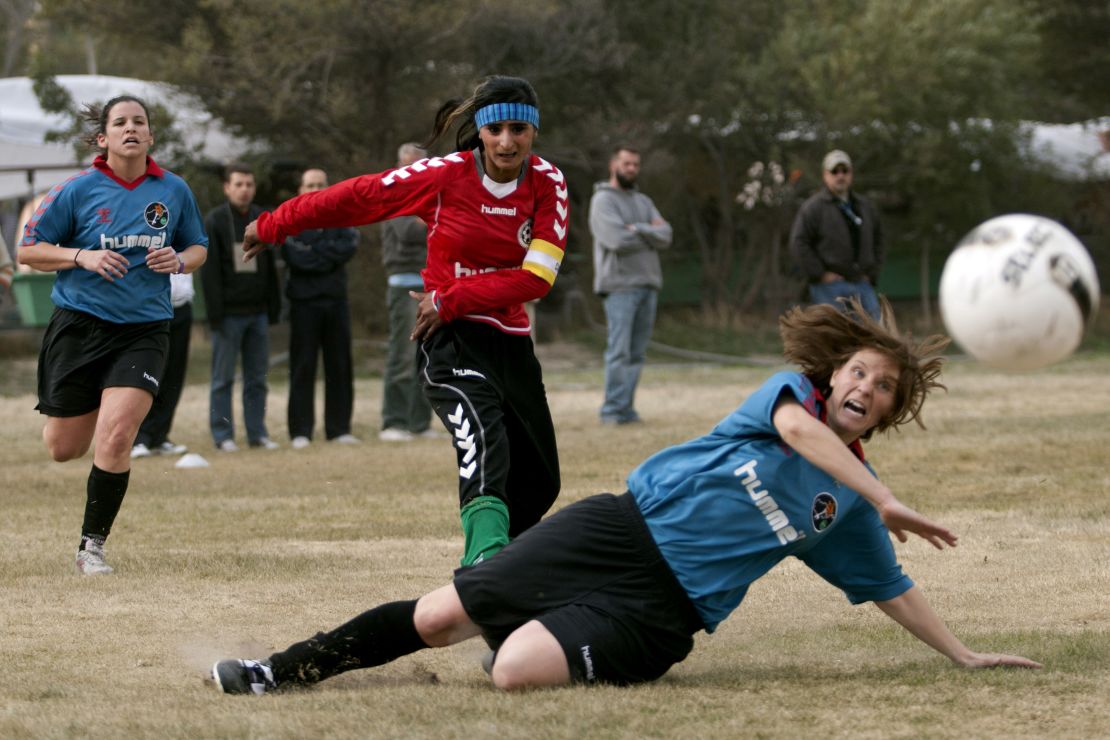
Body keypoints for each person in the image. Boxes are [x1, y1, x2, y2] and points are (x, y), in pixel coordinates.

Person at [210, 297, 1041, 694]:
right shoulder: (788, 397)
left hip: (662, 613)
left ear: (892, 409)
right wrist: (886, 494)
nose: (866, 386)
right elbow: (802, 439)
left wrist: (965, 655)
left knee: (516, 675)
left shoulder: (846, 511)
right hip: (614, 531)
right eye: (859, 371)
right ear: (834, 375)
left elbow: (890, 588)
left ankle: (520, 633)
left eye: (884, 386)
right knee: (436, 619)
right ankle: (277, 671)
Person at [239, 75, 569, 566]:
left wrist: (450, 296)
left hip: (507, 340)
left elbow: (537, 280)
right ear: (479, 130)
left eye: (518, 130)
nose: (506, 141)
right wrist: (276, 222)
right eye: (496, 128)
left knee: (541, 480)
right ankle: (481, 566)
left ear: (533, 132)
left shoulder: (549, 182)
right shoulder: (443, 175)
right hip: (448, 339)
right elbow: (361, 195)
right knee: (483, 436)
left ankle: (504, 573)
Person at [17, 95, 207, 575]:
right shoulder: (77, 190)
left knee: (118, 436)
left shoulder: (174, 190)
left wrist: (180, 260)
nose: (130, 128)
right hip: (79, 327)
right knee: (64, 448)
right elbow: (30, 252)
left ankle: (91, 547)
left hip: (143, 329)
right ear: (102, 138)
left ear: (150, 135)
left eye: (139, 122)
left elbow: (198, 244)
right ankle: (96, 397)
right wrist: (82, 256)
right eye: (119, 122)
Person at [200, 162, 282, 452]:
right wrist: (216, 315)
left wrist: (273, 307)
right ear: (227, 187)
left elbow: (270, 267)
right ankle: (223, 436)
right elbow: (209, 274)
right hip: (229, 316)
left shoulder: (263, 217)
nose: (244, 190)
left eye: (249, 184)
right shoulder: (215, 220)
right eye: (238, 184)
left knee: (257, 378)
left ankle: (257, 434)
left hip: (257, 313)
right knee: (222, 379)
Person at [589, 145, 672, 425]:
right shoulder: (603, 201)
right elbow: (616, 240)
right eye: (626, 164)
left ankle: (627, 409)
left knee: (636, 353)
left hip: (648, 284)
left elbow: (666, 234)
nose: (632, 169)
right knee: (619, 351)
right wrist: (650, 234)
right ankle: (611, 411)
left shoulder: (644, 201)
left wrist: (640, 229)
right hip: (619, 286)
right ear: (614, 164)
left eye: (636, 164)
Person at [281, 168, 360, 449]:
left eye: (320, 184)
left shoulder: (341, 215)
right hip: (303, 304)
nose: (315, 188)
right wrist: (325, 254)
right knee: (303, 366)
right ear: (300, 189)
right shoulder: (291, 217)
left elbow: (347, 248)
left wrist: (314, 252)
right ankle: (300, 430)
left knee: (339, 365)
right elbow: (293, 256)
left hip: (335, 301)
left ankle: (339, 428)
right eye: (310, 184)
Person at [378, 143, 436, 442]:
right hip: (403, 285)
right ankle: (394, 422)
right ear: (399, 165)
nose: (415, 171)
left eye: (421, 165)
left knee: (425, 356)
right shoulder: (394, 194)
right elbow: (409, 232)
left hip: (429, 284)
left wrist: (426, 218)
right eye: (410, 165)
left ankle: (419, 423)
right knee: (401, 354)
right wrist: (431, 220)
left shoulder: (428, 196)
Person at [789, 149, 884, 320]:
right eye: (834, 171)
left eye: (844, 170)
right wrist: (820, 274)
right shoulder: (813, 207)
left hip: (862, 284)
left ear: (851, 174)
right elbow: (799, 243)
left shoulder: (865, 206)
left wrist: (871, 273)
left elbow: (879, 240)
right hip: (829, 288)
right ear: (825, 175)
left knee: (874, 339)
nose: (840, 176)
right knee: (837, 342)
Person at [131, 271, 194, 458]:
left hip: (181, 305)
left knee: (174, 374)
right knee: (146, 374)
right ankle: (138, 438)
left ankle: (160, 435)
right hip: (150, 307)